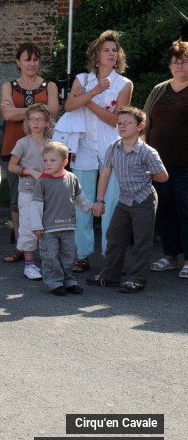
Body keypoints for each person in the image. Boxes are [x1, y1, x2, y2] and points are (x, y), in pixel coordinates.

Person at [62, 30, 133, 273]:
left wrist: (88, 102)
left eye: (115, 50)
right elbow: (69, 106)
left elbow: (116, 120)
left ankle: (111, 257)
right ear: (96, 55)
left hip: (111, 149)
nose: (112, 54)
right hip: (83, 148)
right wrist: (92, 93)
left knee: (111, 204)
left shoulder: (124, 84)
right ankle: (82, 255)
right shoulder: (82, 79)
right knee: (83, 204)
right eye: (107, 50)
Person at [86, 107, 168, 292]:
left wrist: (145, 175)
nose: (122, 126)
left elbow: (163, 177)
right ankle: (111, 275)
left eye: (127, 123)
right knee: (114, 237)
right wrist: (99, 200)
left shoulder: (148, 152)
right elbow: (105, 174)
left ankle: (137, 279)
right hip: (124, 200)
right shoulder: (113, 148)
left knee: (141, 241)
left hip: (144, 200)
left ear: (140, 126)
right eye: (119, 123)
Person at [0, 43, 59, 263]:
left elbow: (52, 112)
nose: (32, 64)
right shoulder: (9, 85)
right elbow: (6, 115)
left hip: (44, 151)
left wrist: (19, 112)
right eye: (27, 59)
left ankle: (44, 245)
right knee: (17, 201)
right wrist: (37, 110)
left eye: (35, 59)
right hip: (15, 148)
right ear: (18, 62)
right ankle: (21, 246)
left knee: (45, 199)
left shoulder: (49, 85)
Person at [144, 39, 188, 279]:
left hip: (186, 165)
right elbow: (146, 120)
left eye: (184, 61)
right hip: (160, 165)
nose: (179, 66)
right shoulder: (159, 89)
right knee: (167, 209)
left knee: (186, 209)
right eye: (175, 62)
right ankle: (170, 256)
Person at [31, 142, 97, 295]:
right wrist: (36, 225)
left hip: (68, 226)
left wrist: (90, 208)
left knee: (69, 255)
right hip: (48, 228)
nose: (48, 164)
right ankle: (54, 283)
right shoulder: (42, 181)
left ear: (64, 162)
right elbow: (36, 205)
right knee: (50, 256)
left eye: (52, 160)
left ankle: (69, 280)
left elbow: (81, 198)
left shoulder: (71, 178)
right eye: (45, 160)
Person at [7, 104, 55, 280]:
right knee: (28, 226)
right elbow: (12, 166)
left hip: (48, 192)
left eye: (39, 119)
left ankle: (50, 262)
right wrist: (29, 171)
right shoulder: (23, 143)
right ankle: (29, 264)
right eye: (32, 119)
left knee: (48, 226)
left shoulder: (52, 144)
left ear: (46, 122)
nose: (36, 123)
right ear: (27, 122)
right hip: (27, 191)